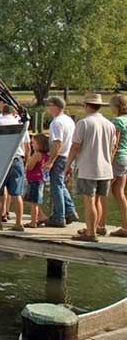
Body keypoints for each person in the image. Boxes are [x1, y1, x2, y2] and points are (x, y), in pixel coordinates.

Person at [65, 93, 117, 242]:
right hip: (105, 168)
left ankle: (90, 233)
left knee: (89, 201)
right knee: (98, 201)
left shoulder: (84, 123)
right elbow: (113, 147)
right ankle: (95, 227)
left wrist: (67, 165)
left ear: (87, 105)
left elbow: (75, 146)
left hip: (88, 168)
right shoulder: (109, 124)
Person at [0, 105, 29, 231]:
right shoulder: (20, 124)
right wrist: (26, 161)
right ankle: (18, 223)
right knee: (17, 194)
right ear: (13, 113)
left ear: (2, 112)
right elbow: (26, 146)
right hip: (17, 159)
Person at [43, 96, 80, 227]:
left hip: (59, 157)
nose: (47, 107)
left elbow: (57, 143)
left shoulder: (56, 122)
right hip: (67, 156)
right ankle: (70, 211)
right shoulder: (69, 120)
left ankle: (59, 217)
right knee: (60, 185)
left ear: (55, 106)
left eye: (48, 105)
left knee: (56, 187)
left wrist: (50, 161)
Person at [109, 95, 127, 237]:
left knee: (100, 191)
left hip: (117, 158)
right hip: (125, 158)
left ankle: (97, 226)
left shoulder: (117, 121)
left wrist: (108, 160)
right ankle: (125, 226)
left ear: (116, 106)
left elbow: (114, 143)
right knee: (118, 192)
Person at [25, 133, 50, 228]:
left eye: (33, 143)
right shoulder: (45, 155)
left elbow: (30, 167)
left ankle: (33, 222)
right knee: (33, 201)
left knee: (33, 203)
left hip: (34, 180)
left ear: (39, 144)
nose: (32, 145)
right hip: (39, 180)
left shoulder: (37, 154)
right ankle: (42, 216)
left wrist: (27, 162)